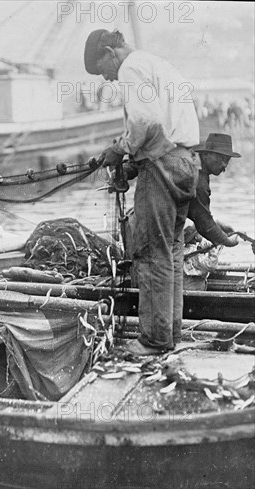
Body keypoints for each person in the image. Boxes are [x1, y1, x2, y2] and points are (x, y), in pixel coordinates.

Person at [84, 29, 200, 355]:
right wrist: (132, 164)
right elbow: (161, 127)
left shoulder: (130, 68)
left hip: (161, 168)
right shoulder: (156, 64)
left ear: (110, 51)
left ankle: (154, 339)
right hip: (186, 163)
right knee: (171, 252)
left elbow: (144, 121)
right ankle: (169, 335)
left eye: (102, 69)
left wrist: (118, 150)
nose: (108, 78)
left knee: (150, 253)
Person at [188, 133, 241, 248]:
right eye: (222, 159)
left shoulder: (197, 170)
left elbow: (199, 213)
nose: (224, 165)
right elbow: (204, 223)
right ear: (206, 154)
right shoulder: (198, 179)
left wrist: (215, 224)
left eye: (227, 160)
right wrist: (226, 241)